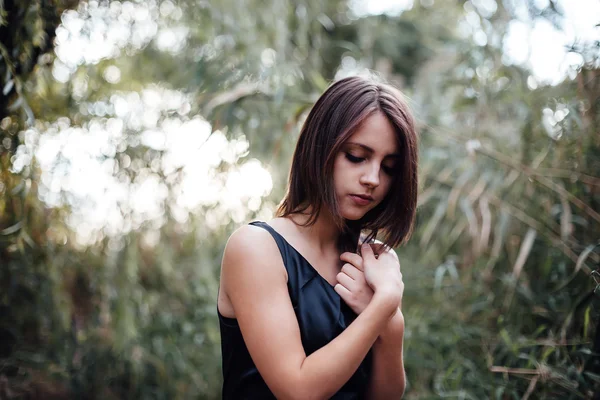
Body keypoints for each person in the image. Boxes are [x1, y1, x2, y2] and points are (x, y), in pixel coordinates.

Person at [217, 74, 418, 399]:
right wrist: (385, 304)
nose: (373, 178)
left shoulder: (376, 259)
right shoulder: (255, 248)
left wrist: (392, 325)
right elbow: (298, 390)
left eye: (389, 167)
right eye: (356, 156)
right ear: (320, 147)